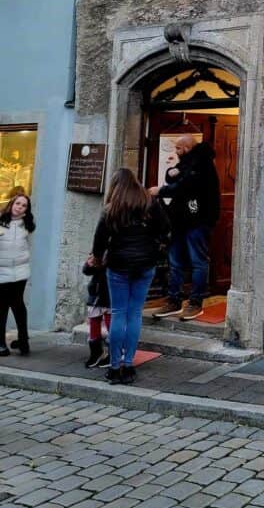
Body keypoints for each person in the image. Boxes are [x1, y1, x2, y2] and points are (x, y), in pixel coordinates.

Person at [92, 168, 169, 385]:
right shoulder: (149, 202)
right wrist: (155, 247)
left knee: (118, 314)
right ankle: (128, 364)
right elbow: (165, 228)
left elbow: (99, 240)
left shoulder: (111, 209)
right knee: (134, 314)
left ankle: (114, 367)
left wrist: (98, 259)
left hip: (118, 265)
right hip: (145, 264)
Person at [150, 135, 220, 321]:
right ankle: (173, 301)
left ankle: (195, 303)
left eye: (179, 148)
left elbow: (185, 185)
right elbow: (174, 176)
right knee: (175, 262)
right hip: (180, 219)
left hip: (198, 219)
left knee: (198, 261)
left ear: (187, 148)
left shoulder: (202, 163)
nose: (176, 152)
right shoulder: (188, 162)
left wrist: (161, 191)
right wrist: (171, 173)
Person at [0, 191, 35, 357]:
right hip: (2, 271)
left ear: (26, 210)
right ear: (11, 204)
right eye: (17, 203)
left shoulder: (27, 226)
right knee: (2, 306)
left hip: (20, 272)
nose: (19, 207)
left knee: (18, 305)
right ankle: (1, 344)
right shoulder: (1, 222)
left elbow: (29, 247)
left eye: (23, 205)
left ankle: (23, 340)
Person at [82, 253, 111, 369]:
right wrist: (90, 264)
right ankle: (96, 352)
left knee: (111, 323)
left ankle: (113, 353)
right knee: (93, 322)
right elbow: (86, 271)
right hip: (96, 293)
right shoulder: (99, 249)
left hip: (111, 293)